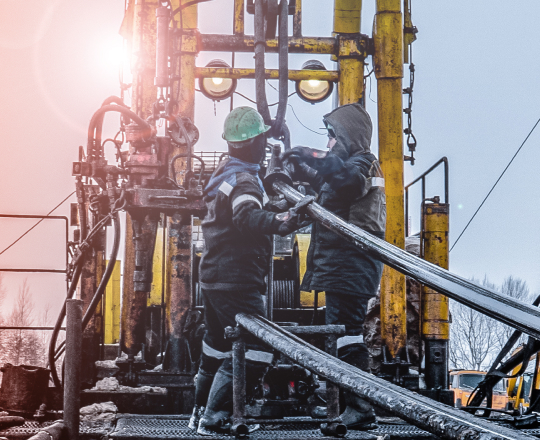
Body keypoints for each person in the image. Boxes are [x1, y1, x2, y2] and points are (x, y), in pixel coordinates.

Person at [190, 106, 303, 435]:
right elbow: (245, 216)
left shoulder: (226, 172)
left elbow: (244, 208)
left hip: (213, 277)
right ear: (254, 142)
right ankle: (216, 418)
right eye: (263, 138)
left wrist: (271, 208)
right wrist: (281, 221)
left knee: (214, 348)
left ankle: (199, 414)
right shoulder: (244, 180)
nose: (266, 144)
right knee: (258, 348)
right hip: (236, 281)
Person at [282, 103, 386, 429]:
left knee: (347, 336)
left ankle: (360, 409)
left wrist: (312, 157)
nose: (328, 144)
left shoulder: (363, 164)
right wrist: (303, 172)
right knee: (343, 336)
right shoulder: (352, 165)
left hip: (351, 265)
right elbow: (333, 187)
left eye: (331, 137)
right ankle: (348, 407)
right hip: (345, 266)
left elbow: (347, 182)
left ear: (345, 136)